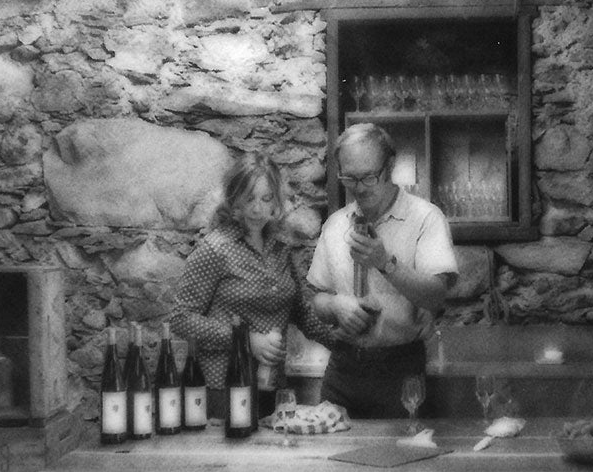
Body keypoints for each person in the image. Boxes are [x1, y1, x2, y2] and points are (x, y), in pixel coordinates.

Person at [307, 122, 460, 418]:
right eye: (349, 178)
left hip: (400, 370)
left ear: (390, 166)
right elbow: (316, 301)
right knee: (331, 461)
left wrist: (385, 263)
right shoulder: (336, 224)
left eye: (368, 177)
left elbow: (436, 297)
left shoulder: (425, 218)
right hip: (342, 369)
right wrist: (336, 305)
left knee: (401, 457)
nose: (359, 188)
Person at [171, 152, 337, 416]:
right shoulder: (215, 249)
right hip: (222, 387)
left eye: (266, 198)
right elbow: (180, 319)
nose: (258, 209)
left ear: (276, 202)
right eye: (249, 198)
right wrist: (246, 341)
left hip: (271, 385)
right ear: (234, 199)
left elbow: (302, 313)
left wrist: (346, 345)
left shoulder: (281, 248)